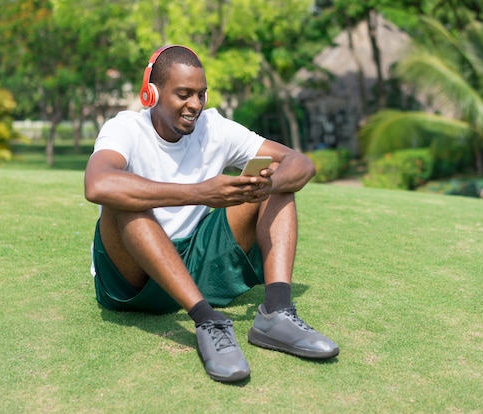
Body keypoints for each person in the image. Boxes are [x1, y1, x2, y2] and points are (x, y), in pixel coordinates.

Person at [84, 45, 339, 383]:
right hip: (133, 274)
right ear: (152, 93)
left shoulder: (215, 127)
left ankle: (276, 313)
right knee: (124, 199)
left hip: (197, 262)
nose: (195, 105)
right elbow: (97, 184)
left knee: (276, 182)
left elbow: (301, 164)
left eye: (201, 94)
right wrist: (200, 193)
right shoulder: (126, 128)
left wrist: (266, 185)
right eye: (184, 94)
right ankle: (208, 320)